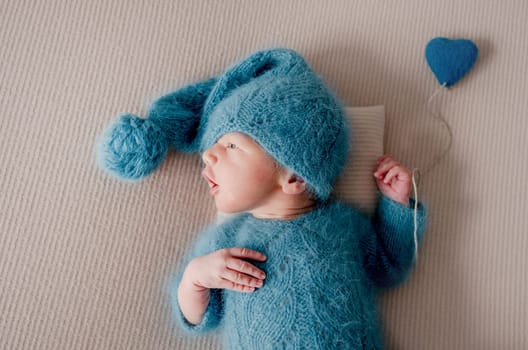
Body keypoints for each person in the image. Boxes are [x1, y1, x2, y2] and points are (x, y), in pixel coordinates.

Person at [96, 48, 427, 349]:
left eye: (231, 146)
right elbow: (199, 317)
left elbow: (389, 266)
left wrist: (396, 204)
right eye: (213, 145)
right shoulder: (227, 240)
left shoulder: (344, 226)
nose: (208, 155)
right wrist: (195, 278)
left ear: (295, 175)